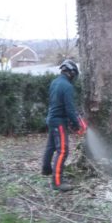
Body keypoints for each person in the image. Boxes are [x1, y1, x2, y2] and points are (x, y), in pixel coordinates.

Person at [42, 59, 81, 192]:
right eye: (74, 74)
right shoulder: (67, 87)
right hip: (59, 121)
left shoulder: (55, 82)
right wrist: (77, 124)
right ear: (71, 73)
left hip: (51, 118)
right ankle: (57, 182)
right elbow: (69, 109)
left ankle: (46, 169)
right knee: (63, 151)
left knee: (51, 147)